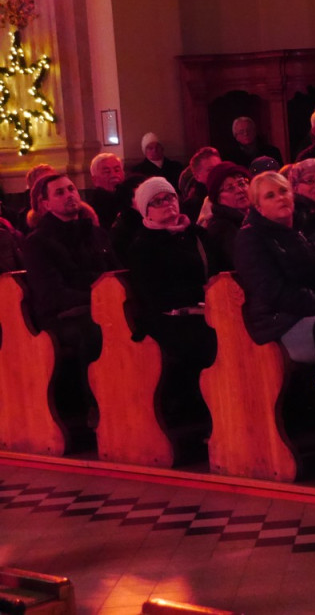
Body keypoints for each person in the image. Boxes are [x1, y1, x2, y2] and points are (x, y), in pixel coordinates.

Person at [234, 171, 315, 379]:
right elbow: (273, 292)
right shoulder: (251, 238)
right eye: (270, 195)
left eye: (283, 191)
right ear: (258, 207)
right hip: (281, 321)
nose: (280, 197)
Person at [21, 173, 119, 422]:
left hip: (102, 306)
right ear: (44, 204)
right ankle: (96, 407)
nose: (69, 195)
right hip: (61, 317)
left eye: (71, 189)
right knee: (94, 330)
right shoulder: (39, 243)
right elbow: (51, 294)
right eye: (60, 193)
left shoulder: (95, 234)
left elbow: (116, 272)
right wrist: (99, 298)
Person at [124, 177, 215, 429]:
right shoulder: (143, 246)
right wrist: (202, 290)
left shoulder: (197, 234)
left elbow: (219, 266)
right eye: (157, 201)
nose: (166, 203)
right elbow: (154, 293)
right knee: (209, 341)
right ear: (146, 210)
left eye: (170, 197)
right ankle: (206, 416)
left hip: (209, 308)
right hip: (168, 317)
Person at [202, 162, 251, 273]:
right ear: (218, 199)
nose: (239, 190)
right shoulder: (221, 228)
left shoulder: (256, 217)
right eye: (230, 188)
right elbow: (246, 265)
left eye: (242, 183)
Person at [179, 147, 223, 223]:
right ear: (197, 176)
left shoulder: (232, 193)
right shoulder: (190, 207)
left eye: (220, 167)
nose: (217, 172)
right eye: (211, 170)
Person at [87, 153, 129, 229]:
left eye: (117, 170)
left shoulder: (130, 199)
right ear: (95, 179)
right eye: (107, 172)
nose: (114, 175)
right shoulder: (92, 209)